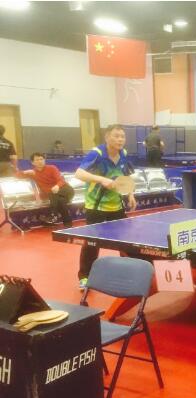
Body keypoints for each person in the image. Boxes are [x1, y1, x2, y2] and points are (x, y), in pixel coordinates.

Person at [75, 124, 137, 290]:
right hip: (96, 206)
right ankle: (85, 276)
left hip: (116, 205)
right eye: (116, 136)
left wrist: (130, 194)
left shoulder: (123, 153)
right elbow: (79, 173)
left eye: (122, 136)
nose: (120, 139)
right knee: (92, 243)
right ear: (107, 137)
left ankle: (129, 272)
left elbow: (126, 176)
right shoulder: (97, 153)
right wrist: (101, 179)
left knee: (124, 241)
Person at [17, 153, 75, 227]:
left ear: (44, 160)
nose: (40, 161)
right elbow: (17, 175)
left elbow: (61, 180)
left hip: (66, 190)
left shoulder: (52, 168)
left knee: (53, 194)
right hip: (54, 194)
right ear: (32, 162)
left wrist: (57, 186)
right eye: (37, 160)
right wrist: (25, 172)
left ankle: (53, 215)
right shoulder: (33, 173)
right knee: (61, 201)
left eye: (41, 159)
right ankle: (67, 224)